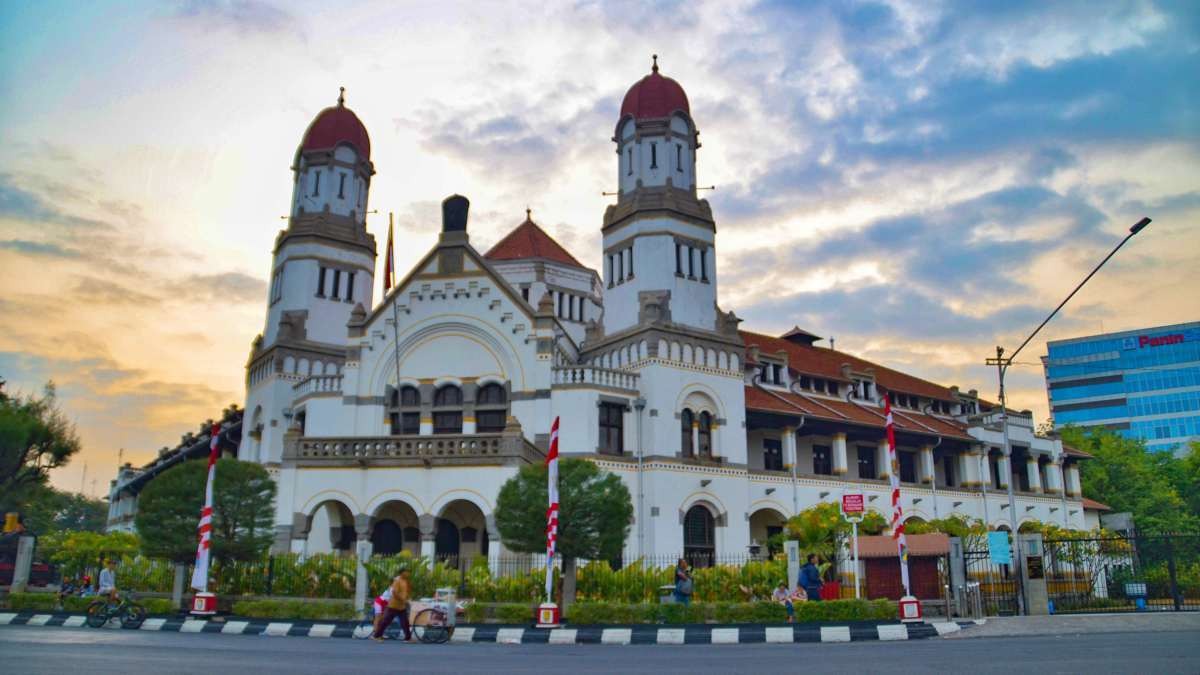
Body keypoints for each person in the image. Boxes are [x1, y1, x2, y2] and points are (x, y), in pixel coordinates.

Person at [372, 568, 412, 642]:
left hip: (401, 606)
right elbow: (394, 593)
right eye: (406, 572)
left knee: (405, 622)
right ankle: (376, 635)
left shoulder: (405, 581)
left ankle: (408, 638)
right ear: (402, 573)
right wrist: (402, 599)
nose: (408, 574)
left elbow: (405, 592)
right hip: (393, 605)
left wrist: (407, 598)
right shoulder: (397, 581)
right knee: (385, 621)